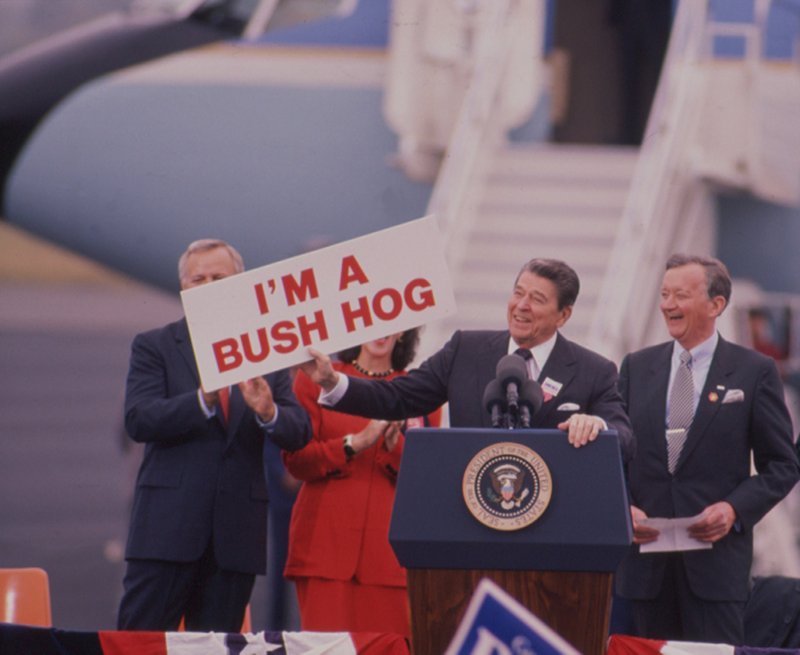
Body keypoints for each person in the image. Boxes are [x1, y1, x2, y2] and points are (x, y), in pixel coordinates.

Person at [117, 238, 311, 632]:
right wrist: (202, 400)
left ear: (239, 285)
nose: (207, 287)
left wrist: (268, 411)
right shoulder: (155, 346)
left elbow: (300, 431)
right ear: (184, 291)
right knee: (139, 645)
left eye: (218, 278)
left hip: (234, 541)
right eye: (197, 279)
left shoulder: (266, 350)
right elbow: (139, 419)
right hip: (165, 535)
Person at [616, 253, 800, 644]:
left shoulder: (754, 371)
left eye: (680, 295)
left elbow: (782, 465)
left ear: (716, 305)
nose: (667, 304)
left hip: (715, 572)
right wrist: (621, 506)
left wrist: (733, 509)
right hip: (646, 569)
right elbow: (614, 456)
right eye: (664, 294)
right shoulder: (635, 368)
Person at [301, 258, 634, 460]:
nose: (521, 305)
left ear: (563, 315)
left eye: (537, 299)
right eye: (518, 292)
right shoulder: (466, 349)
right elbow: (398, 397)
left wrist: (598, 426)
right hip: (471, 518)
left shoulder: (594, 371)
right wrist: (333, 382)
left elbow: (623, 436)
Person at [283, 330, 441, 637]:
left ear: (406, 330)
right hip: (325, 550)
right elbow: (296, 461)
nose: (381, 330)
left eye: (393, 322)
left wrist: (393, 448)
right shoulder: (317, 378)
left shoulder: (422, 394)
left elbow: (427, 481)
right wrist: (353, 443)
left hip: (389, 559)